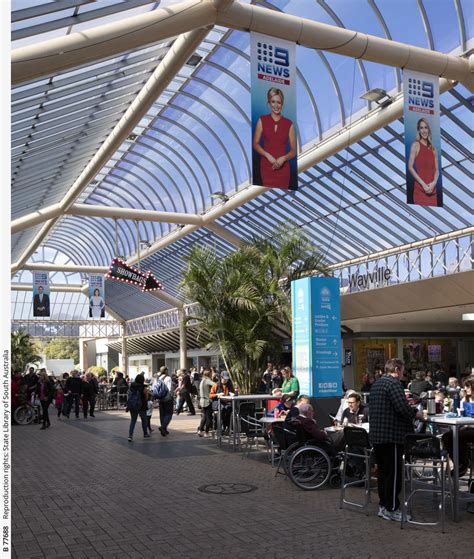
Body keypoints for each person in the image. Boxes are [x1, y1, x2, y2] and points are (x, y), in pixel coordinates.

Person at [369, 358, 423, 521]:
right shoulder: (394, 384)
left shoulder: (377, 384)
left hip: (377, 435)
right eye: (402, 370)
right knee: (393, 474)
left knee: (383, 473)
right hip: (392, 436)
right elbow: (401, 408)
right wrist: (416, 413)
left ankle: (383, 506)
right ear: (397, 369)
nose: (403, 374)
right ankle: (392, 508)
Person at [252, 87, 296, 189]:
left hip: (283, 168)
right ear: (269, 102)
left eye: (279, 102)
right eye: (273, 102)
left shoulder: (289, 124)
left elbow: (293, 150)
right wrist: (267, 155)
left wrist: (283, 158)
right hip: (266, 167)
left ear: (282, 103)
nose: (276, 105)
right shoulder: (262, 120)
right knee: (265, 193)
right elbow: (255, 143)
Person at [408, 118, 439, 206]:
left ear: (429, 129)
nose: (424, 130)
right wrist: (423, 185)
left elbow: (437, 170)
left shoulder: (433, 149)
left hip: (433, 190)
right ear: (418, 130)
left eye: (426, 127)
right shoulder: (415, 145)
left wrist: (434, 183)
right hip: (420, 190)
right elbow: (410, 167)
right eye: (421, 128)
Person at [126, 373, 149, 442]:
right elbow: (146, 397)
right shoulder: (143, 387)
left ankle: (130, 435)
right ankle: (145, 433)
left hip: (133, 405)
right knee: (144, 420)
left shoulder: (131, 386)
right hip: (142, 405)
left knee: (133, 420)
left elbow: (129, 394)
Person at [155, 367, 174, 437]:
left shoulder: (158, 378)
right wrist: (171, 396)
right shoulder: (168, 378)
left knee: (162, 414)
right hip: (167, 398)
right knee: (169, 414)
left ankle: (164, 429)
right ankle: (163, 427)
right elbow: (169, 389)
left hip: (160, 398)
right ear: (165, 371)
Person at [197, 368, 214, 437]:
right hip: (207, 401)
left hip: (202, 401)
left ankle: (200, 430)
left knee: (204, 417)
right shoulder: (207, 380)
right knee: (209, 418)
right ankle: (206, 432)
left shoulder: (202, 380)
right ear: (209, 374)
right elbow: (215, 385)